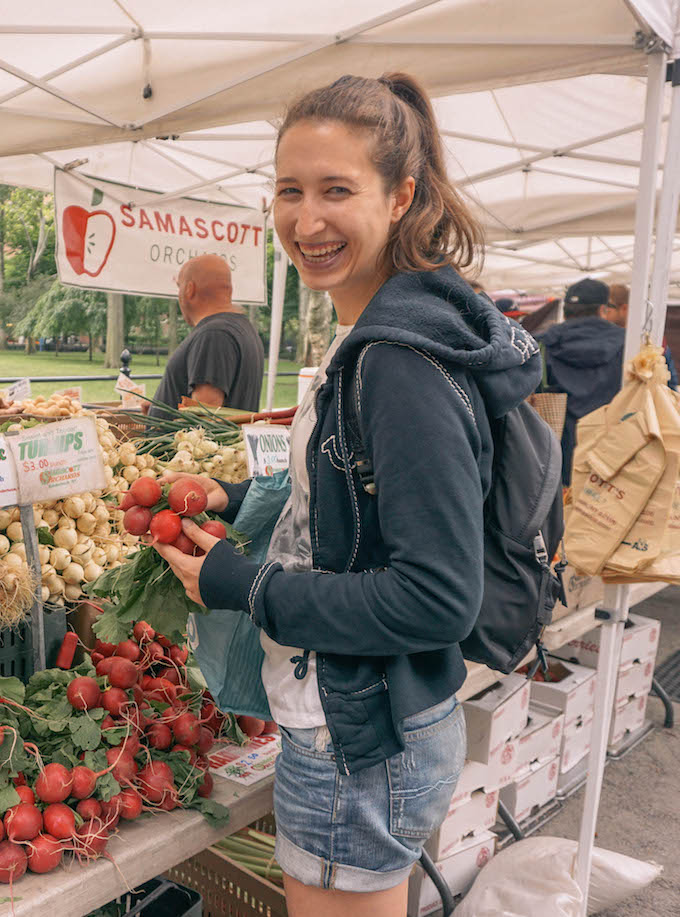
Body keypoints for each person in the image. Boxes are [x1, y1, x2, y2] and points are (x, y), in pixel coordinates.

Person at [152, 73, 541, 917]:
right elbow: (362, 495)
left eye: (338, 190)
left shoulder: (398, 360)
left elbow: (435, 595)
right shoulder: (389, 329)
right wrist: (234, 497)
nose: (307, 219)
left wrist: (243, 584)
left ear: (401, 195)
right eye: (290, 191)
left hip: (357, 739)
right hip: (379, 721)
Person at [146, 254, 264, 418]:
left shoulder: (214, 335)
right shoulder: (241, 328)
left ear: (189, 289)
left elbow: (203, 417)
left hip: (182, 445)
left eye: (179, 287)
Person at [540, 277, 626, 485]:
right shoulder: (629, 343)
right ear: (603, 309)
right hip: (613, 455)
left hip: (554, 458)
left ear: (566, 309)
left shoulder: (541, 344)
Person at [603, 283, 678, 389]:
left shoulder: (652, 340)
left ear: (624, 308)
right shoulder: (605, 336)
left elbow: (670, 381)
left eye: (607, 311)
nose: (604, 316)